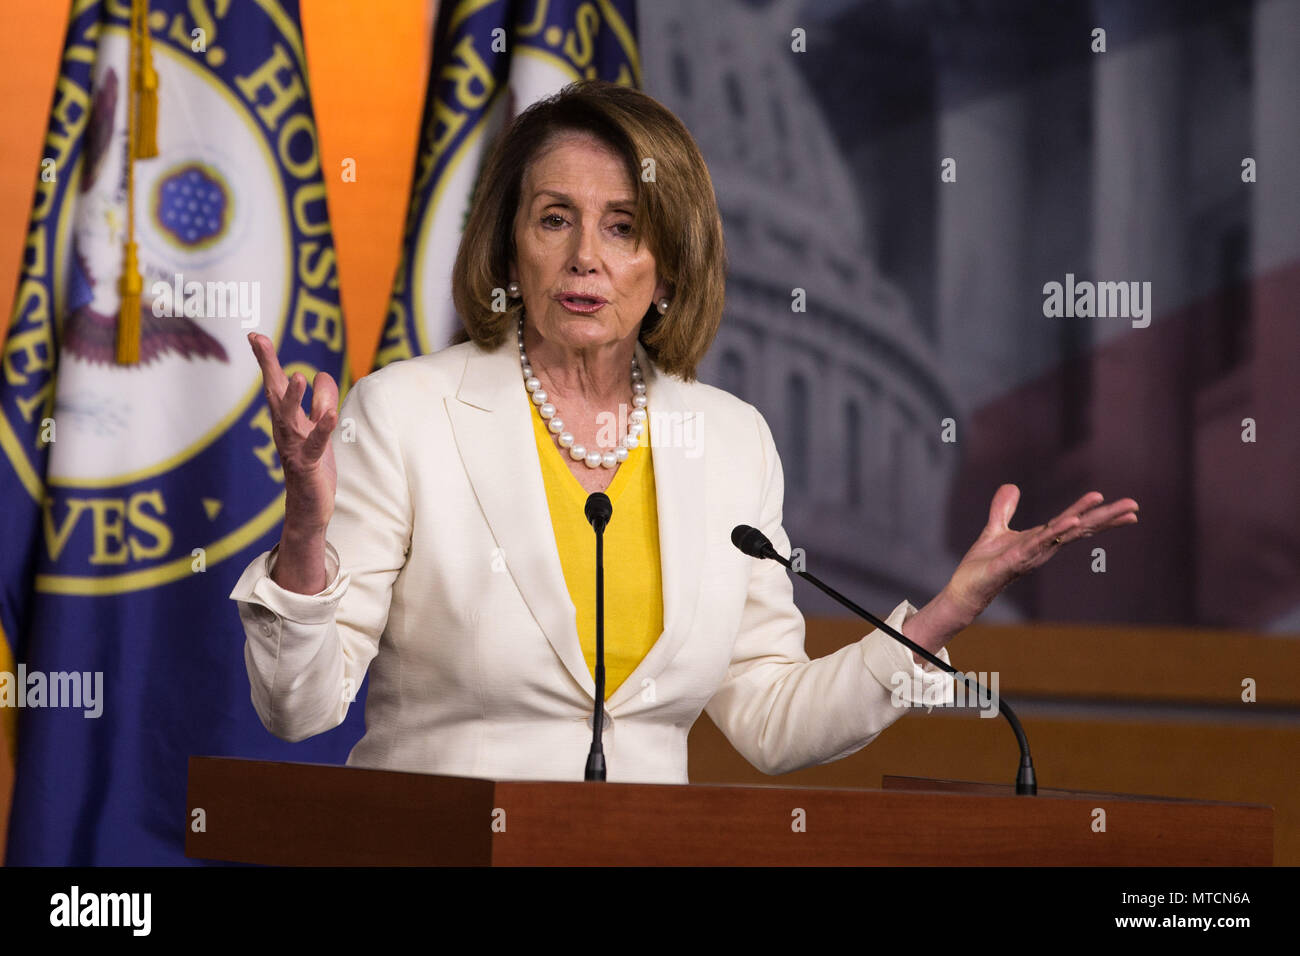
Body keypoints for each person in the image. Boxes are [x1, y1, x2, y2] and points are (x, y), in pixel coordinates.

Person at [230, 79, 1138, 783]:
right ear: (511, 248)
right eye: (556, 220)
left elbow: (773, 721)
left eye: (624, 228)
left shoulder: (730, 440)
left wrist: (944, 614)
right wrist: (307, 530)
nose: (586, 255)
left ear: (666, 270)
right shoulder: (405, 413)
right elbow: (298, 708)